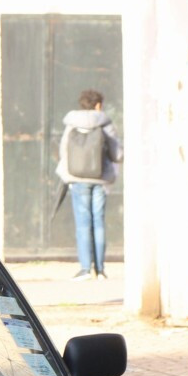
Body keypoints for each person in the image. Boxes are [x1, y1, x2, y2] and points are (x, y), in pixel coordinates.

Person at [56, 89, 123, 280]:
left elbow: (64, 152)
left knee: (83, 224)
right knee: (98, 222)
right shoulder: (105, 122)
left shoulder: (71, 123)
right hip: (100, 178)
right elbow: (117, 154)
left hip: (77, 179)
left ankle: (85, 269)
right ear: (98, 105)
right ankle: (100, 270)